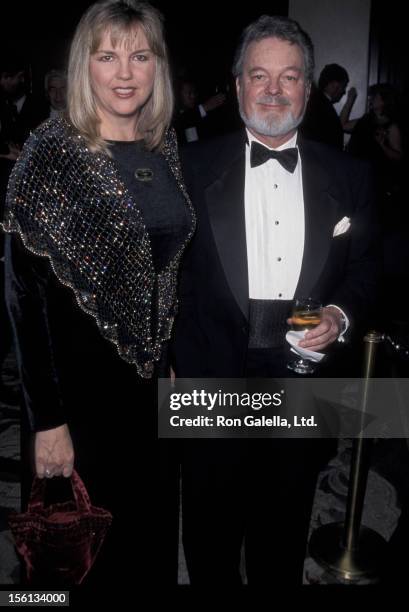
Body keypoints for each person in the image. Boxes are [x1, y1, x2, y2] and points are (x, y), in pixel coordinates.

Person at [172, 15, 379, 585]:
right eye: (258, 75)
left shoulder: (352, 174)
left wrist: (340, 315)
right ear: (236, 84)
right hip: (209, 374)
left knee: (282, 529)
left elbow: (366, 268)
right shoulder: (187, 168)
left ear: (307, 91)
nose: (272, 90)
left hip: (302, 376)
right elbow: (165, 277)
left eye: (288, 78)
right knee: (210, 534)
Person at [2, 0, 195, 589]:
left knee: (151, 533)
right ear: (83, 64)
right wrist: (47, 422)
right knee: (81, 558)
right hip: (81, 399)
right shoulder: (49, 152)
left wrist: (172, 362)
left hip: (152, 388)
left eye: (140, 56)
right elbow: (22, 297)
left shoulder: (161, 147)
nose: (124, 73)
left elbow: (166, 266)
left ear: (157, 67)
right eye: (107, 56)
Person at [300, 63, 352, 150]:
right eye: (343, 86)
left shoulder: (316, 102)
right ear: (334, 85)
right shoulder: (321, 106)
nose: (344, 91)